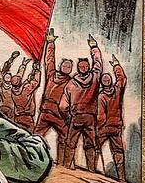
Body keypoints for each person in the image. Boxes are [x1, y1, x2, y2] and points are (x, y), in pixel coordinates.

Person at [37, 35, 104, 169]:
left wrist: (94, 47)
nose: (67, 67)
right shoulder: (53, 75)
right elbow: (49, 60)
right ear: (60, 65)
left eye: (69, 66)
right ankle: (35, 161)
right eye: (65, 65)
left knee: (66, 141)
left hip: (63, 117)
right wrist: (50, 43)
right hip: (46, 113)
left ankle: (64, 167)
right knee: (37, 137)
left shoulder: (71, 81)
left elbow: (98, 64)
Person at [95, 53, 128, 183]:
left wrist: (116, 66)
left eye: (107, 79)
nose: (106, 81)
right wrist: (116, 66)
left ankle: (94, 173)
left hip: (107, 128)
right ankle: (121, 178)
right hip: (113, 127)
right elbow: (122, 79)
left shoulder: (104, 95)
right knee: (116, 151)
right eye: (104, 80)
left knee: (97, 148)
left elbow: (100, 117)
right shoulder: (114, 91)